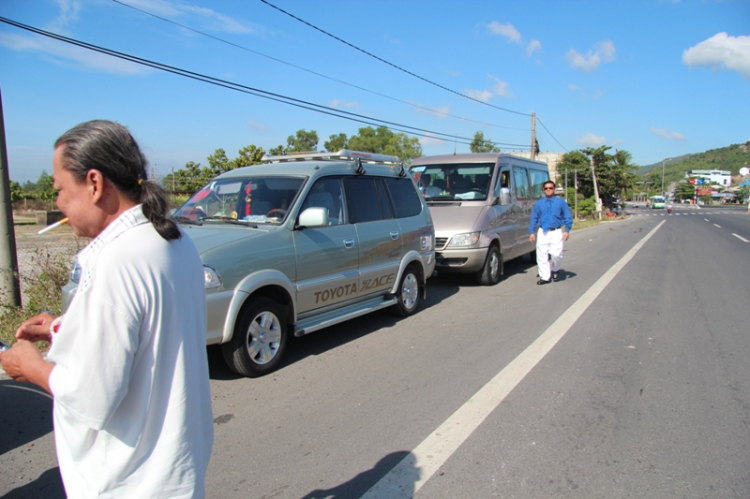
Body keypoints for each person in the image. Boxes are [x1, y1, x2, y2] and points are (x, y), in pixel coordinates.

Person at [0, 120, 214, 498]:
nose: (58, 204)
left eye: (60, 191)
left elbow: (91, 397)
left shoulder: (117, 261)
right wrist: (63, 327)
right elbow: (147, 331)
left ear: (95, 183)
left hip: (132, 481)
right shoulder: (172, 239)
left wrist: (30, 366)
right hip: (177, 466)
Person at [529, 180, 573, 285]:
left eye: (551, 188)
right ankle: (545, 277)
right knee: (541, 255)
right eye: (546, 188)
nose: (548, 190)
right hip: (542, 232)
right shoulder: (539, 203)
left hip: (556, 231)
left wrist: (567, 230)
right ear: (543, 190)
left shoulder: (561, 202)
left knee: (557, 254)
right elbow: (534, 217)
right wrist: (531, 232)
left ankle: (556, 269)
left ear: (554, 189)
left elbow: (567, 216)